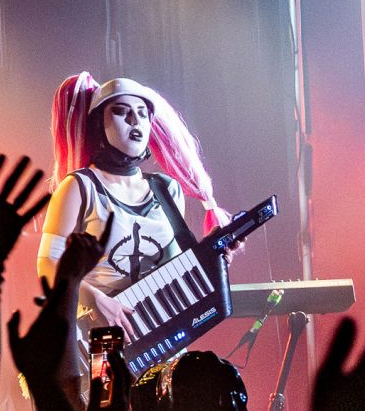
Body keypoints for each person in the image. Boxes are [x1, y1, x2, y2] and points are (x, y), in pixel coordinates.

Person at [35, 74, 225, 386]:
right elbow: (47, 265)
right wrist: (96, 299)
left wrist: (215, 253)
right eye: (122, 112)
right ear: (99, 125)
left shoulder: (167, 189)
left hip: (163, 335)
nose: (135, 121)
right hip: (100, 338)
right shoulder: (79, 187)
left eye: (142, 114)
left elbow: (176, 267)